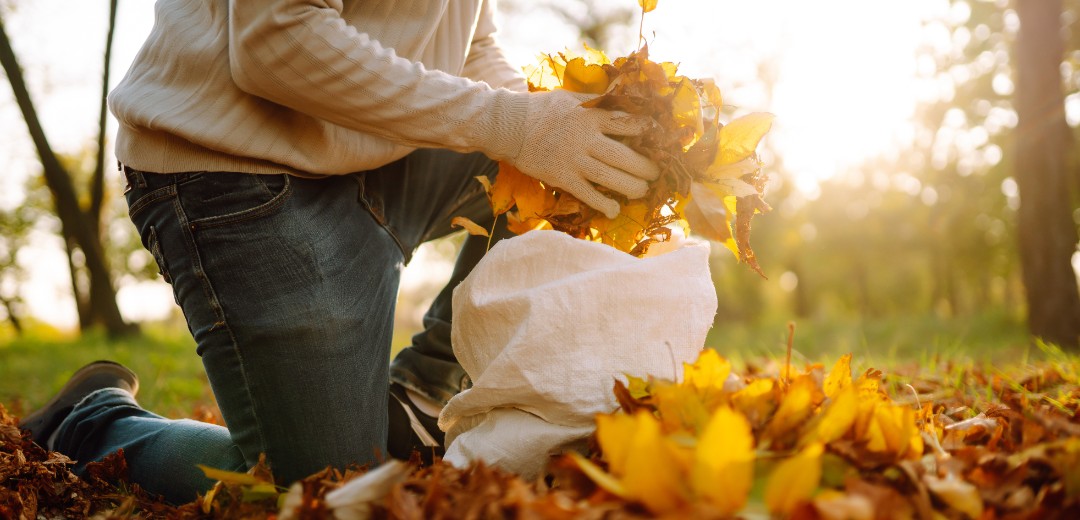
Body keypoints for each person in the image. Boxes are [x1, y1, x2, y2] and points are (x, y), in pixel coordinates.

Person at [20, 0, 659, 505]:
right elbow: (276, 38)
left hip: (367, 152)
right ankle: (93, 418)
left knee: (554, 185)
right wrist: (509, 124)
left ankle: (418, 399)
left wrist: (537, 124)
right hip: (237, 174)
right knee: (323, 494)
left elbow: (475, 45)